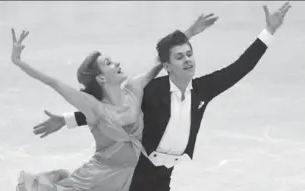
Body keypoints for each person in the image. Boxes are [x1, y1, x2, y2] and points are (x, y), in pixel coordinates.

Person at [33, 3, 291, 191]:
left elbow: (240, 67)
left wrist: (267, 32)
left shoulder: (203, 90)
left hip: (163, 177)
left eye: (189, 54)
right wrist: (68, 120)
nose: (188, 59)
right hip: (135, 175)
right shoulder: (152, 90)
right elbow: (112, 113)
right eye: (180, 57)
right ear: (167, 66)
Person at [12, 13, 218, 191]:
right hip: (98, 178)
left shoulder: (134, 88)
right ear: (101, 78)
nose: (117, 63)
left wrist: (191, 32)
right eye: (108, 63)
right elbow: (54, 82)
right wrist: (19, 61)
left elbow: (160, 60)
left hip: (132, 179)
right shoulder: (95, 107)